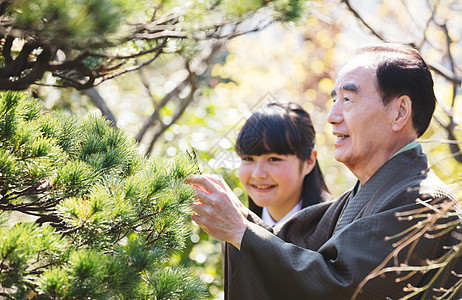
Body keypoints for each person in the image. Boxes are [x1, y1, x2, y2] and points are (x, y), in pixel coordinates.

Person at [188, 43, 461, 299]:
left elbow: (343, 285)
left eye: (348, 99)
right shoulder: (368, 193)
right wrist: (237, 219)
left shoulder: (426, 202)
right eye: (334, 99)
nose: (332, 116)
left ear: (400, 112)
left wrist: (240, 232)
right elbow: (296, 244)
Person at [235, 102, 330, 225]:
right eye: (248, 158)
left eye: (273, 159)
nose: (257, 174)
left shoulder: (336, 230)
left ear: (309, 161)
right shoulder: (236, 228)